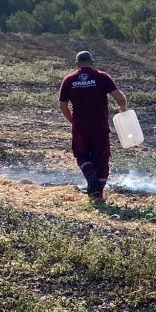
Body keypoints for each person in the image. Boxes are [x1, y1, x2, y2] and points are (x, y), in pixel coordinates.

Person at [58, 50, 127, 201]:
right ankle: (97, 194)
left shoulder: (69, 79)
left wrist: (73, 121)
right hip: (100, 126)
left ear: (77, 64)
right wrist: (123, 112)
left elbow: (63, 105)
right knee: (101, 159)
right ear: (92, 62)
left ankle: (90, 175)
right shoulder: (102, 77)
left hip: (80, 127)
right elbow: (120, 99)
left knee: (81, 155)